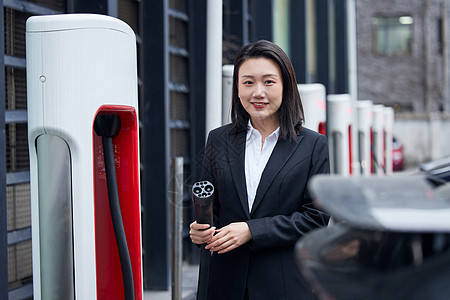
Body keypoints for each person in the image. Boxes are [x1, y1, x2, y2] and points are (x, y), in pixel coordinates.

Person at [190, 40, 330, 300]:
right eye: (248, 82)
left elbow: (316, 219)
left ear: (285, 86)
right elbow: (212, 207)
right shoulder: (218, 140)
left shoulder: (313, 146)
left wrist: (252, 230)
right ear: (237, 89)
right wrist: (200, 230)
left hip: (284, 286)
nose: (258, 92)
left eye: (268, 82)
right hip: (224, 283)